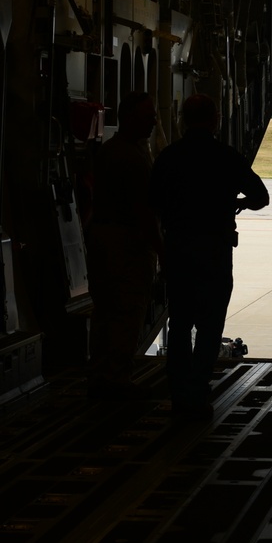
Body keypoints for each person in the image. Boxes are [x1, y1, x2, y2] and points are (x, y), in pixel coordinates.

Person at [150, 93, 270, 420]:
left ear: (182, 119)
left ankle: (178, 395)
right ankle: (198, 392)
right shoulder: (226, 156)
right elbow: (261, 196)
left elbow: (152, 205)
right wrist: (239, 204)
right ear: (216, 119)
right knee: (210, 325)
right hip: (214, 250)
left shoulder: (169, 157)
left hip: (178, 249)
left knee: (179, 324)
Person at [86, 92, 163, 400]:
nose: (154, 121)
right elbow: (143, 211)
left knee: (105, 312)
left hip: (103, 240)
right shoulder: (132, 157)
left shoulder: (109, 151)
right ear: (129, 118)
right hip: (127, 245)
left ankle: (101, 375)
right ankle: (117, 380)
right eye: (148, 116)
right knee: (127, 312)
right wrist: (160, 249)